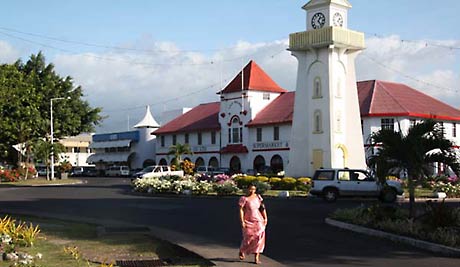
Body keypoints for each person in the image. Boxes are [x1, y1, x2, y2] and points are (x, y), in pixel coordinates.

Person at [238, 184, 268, 264]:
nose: (252, 191)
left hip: (259, 220)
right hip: (248, 220)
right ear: (247, 189)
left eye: (254, 189)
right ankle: (242, 250)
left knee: (259, 238)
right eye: (250, 189)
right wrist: (242, 221)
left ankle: (256, 257)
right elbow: (241, 210)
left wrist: (265, 218)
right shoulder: (244, 199)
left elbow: (262, 208)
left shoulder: (258, 197)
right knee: (248, 238)